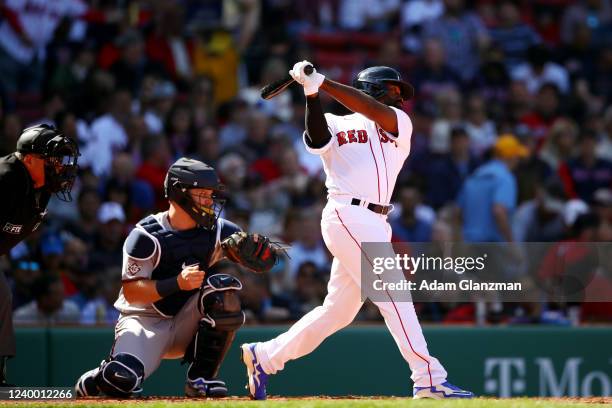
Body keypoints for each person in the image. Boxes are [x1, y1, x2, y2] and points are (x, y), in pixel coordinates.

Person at [240, 61, 474, 399]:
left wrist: (322, 82)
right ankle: (428, 377)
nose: (399, 97)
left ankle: (265, 357)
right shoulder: (335, 121)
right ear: (374, 87)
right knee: (394, 295)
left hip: (374, 220)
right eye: (394, 90)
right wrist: (310, 92)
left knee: (338, 312)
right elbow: (318, 141)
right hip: (347, 213)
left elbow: (370, 108)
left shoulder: (399, 123)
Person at [74, 157, 280, 398]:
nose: (209, 201)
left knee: (225, 291)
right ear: (179, 194)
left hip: (188, 319)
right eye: (202, 194)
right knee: (121, 380)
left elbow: (261, 259)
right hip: (145, 320)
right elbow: (132, 292)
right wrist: (177, 283)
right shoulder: (145, 236)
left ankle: (201, 378)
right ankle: (98, 378)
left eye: (210, 194)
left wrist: (261, 255)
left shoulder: (219, 230)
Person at [0, 124, 79, 386]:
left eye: (62, 160)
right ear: (30, 159)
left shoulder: (42, 188)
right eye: (53, 160)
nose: (60, 167)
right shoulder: (6, 178)